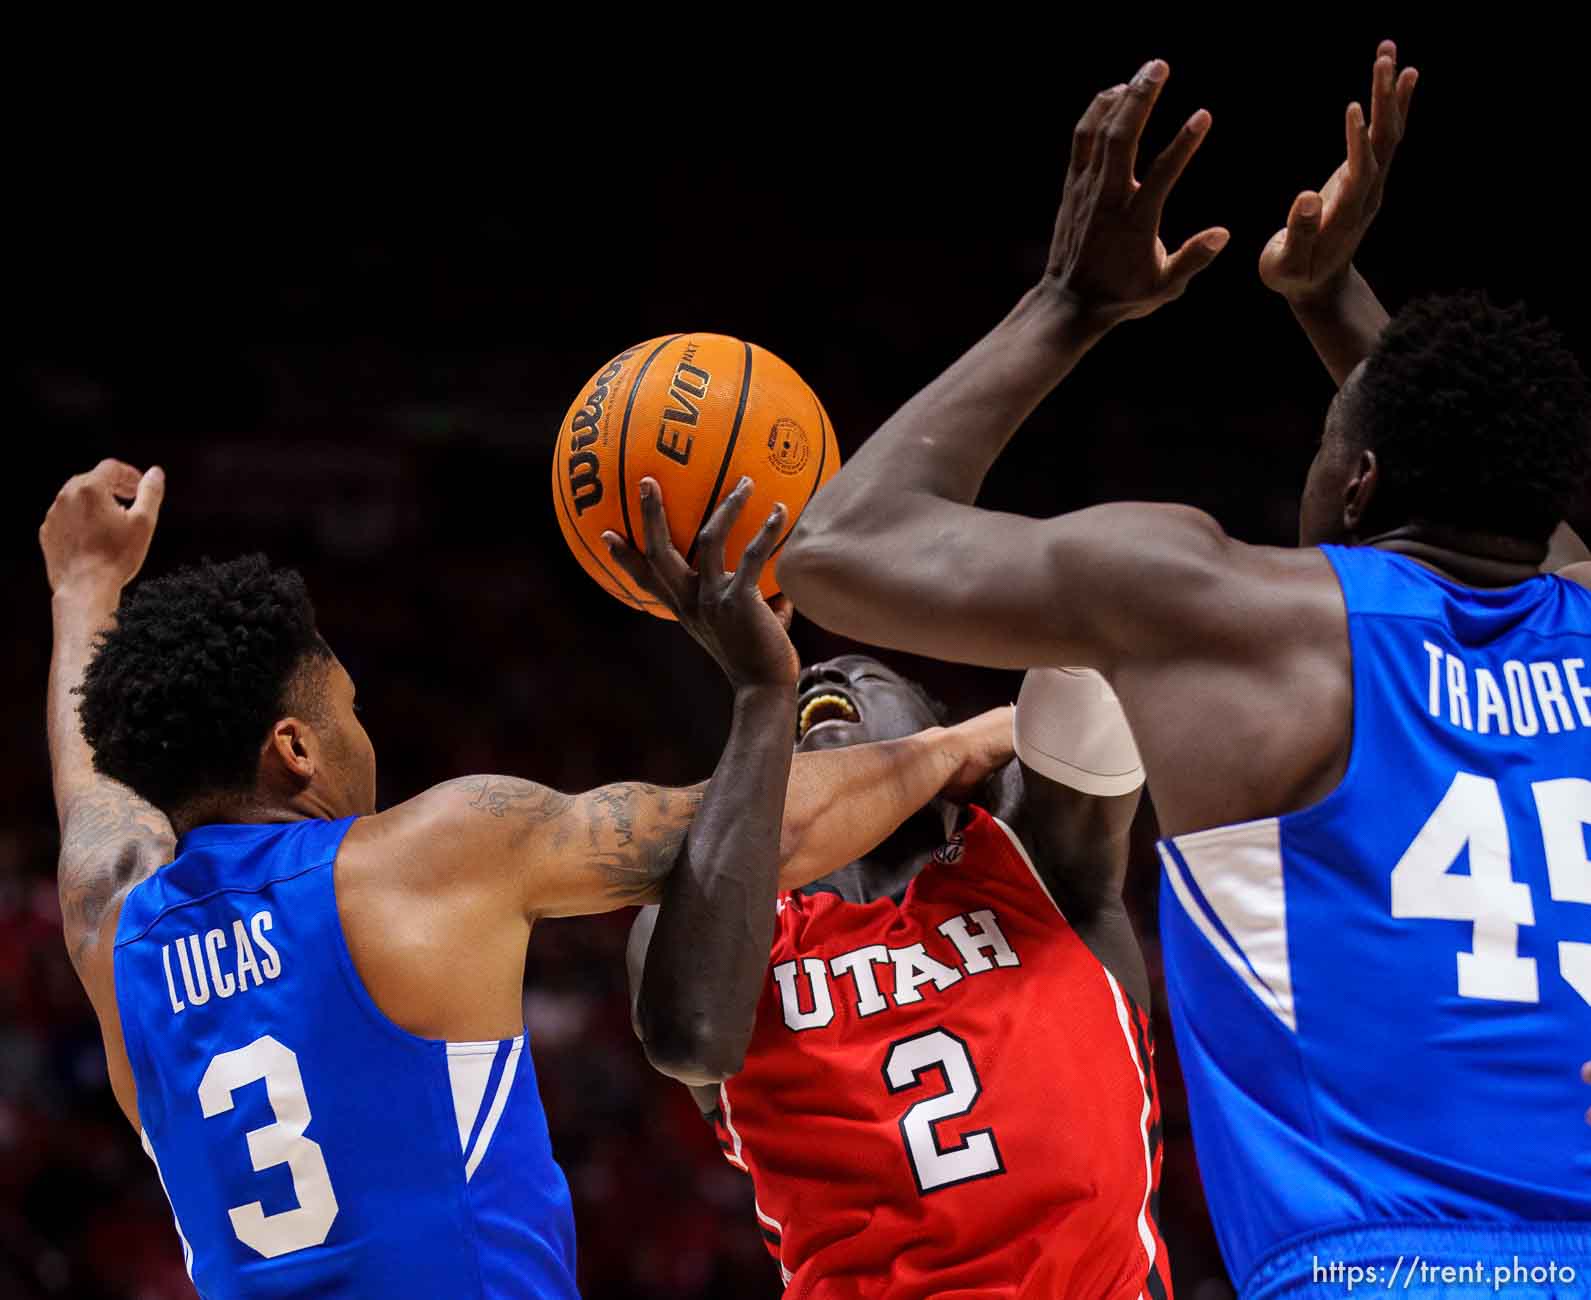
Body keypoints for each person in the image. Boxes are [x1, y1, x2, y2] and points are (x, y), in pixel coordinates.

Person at [780, 41, 1591, 1300]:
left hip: (1383, 1267)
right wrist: (1330, 300)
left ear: (1361, 479)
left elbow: (836, 548)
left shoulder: (1235, 618)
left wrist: (1071, 301)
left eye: (1335, 443)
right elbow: (1515, 505)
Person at [41, 463, 1009, 1298]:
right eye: (349, 711)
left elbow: (92, 797)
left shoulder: (112, 932)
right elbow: (758, 831)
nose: (364, 737)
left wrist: (83, 590)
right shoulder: (422, 860)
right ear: (294, 749)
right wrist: (961, 742)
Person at [607, 469, 1165, 1297]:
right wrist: (766, 693)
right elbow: (689, 1034)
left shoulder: (1028, 854)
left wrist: (878, 558)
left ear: (954, 740)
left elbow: (1099, 626)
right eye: (808, 702)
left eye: (868, 679)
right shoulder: (712, 924)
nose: (827, 682)